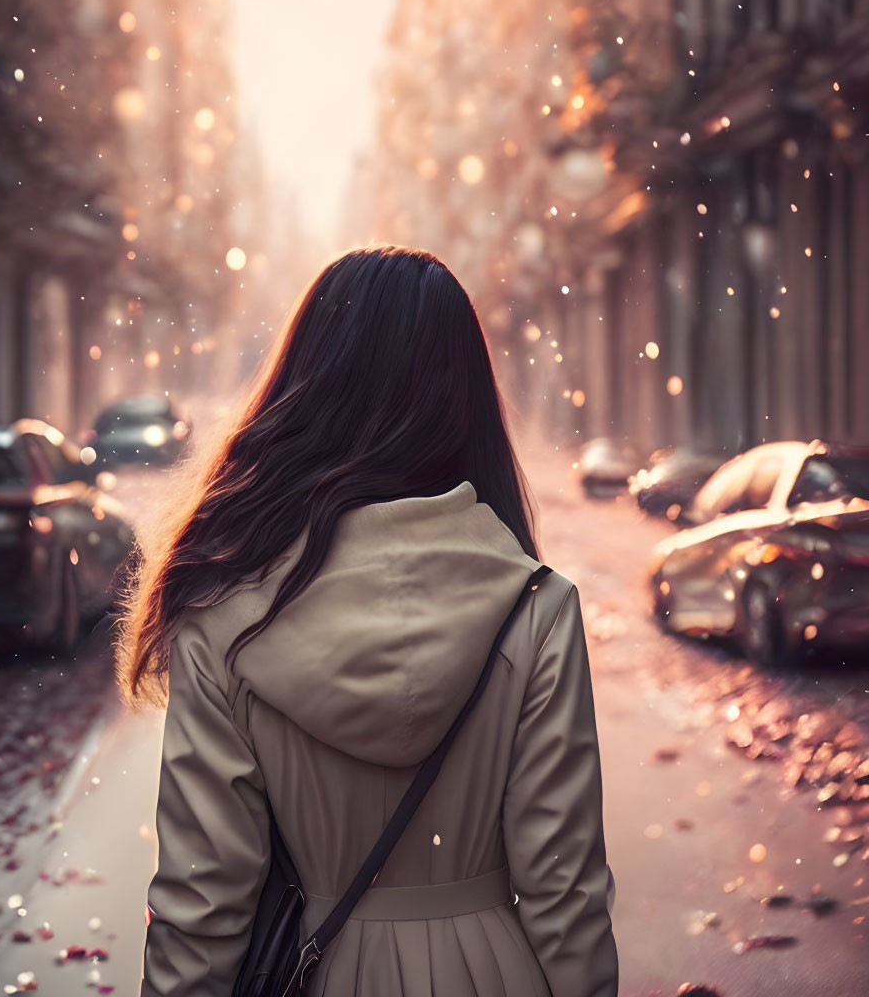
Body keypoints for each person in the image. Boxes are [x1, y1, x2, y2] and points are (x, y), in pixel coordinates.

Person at [118, 244, 619, 996]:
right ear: (465, 400)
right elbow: (566, 893)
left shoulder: (223, 615)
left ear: (307, 389)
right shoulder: (537, 608)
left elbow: (202, 904)